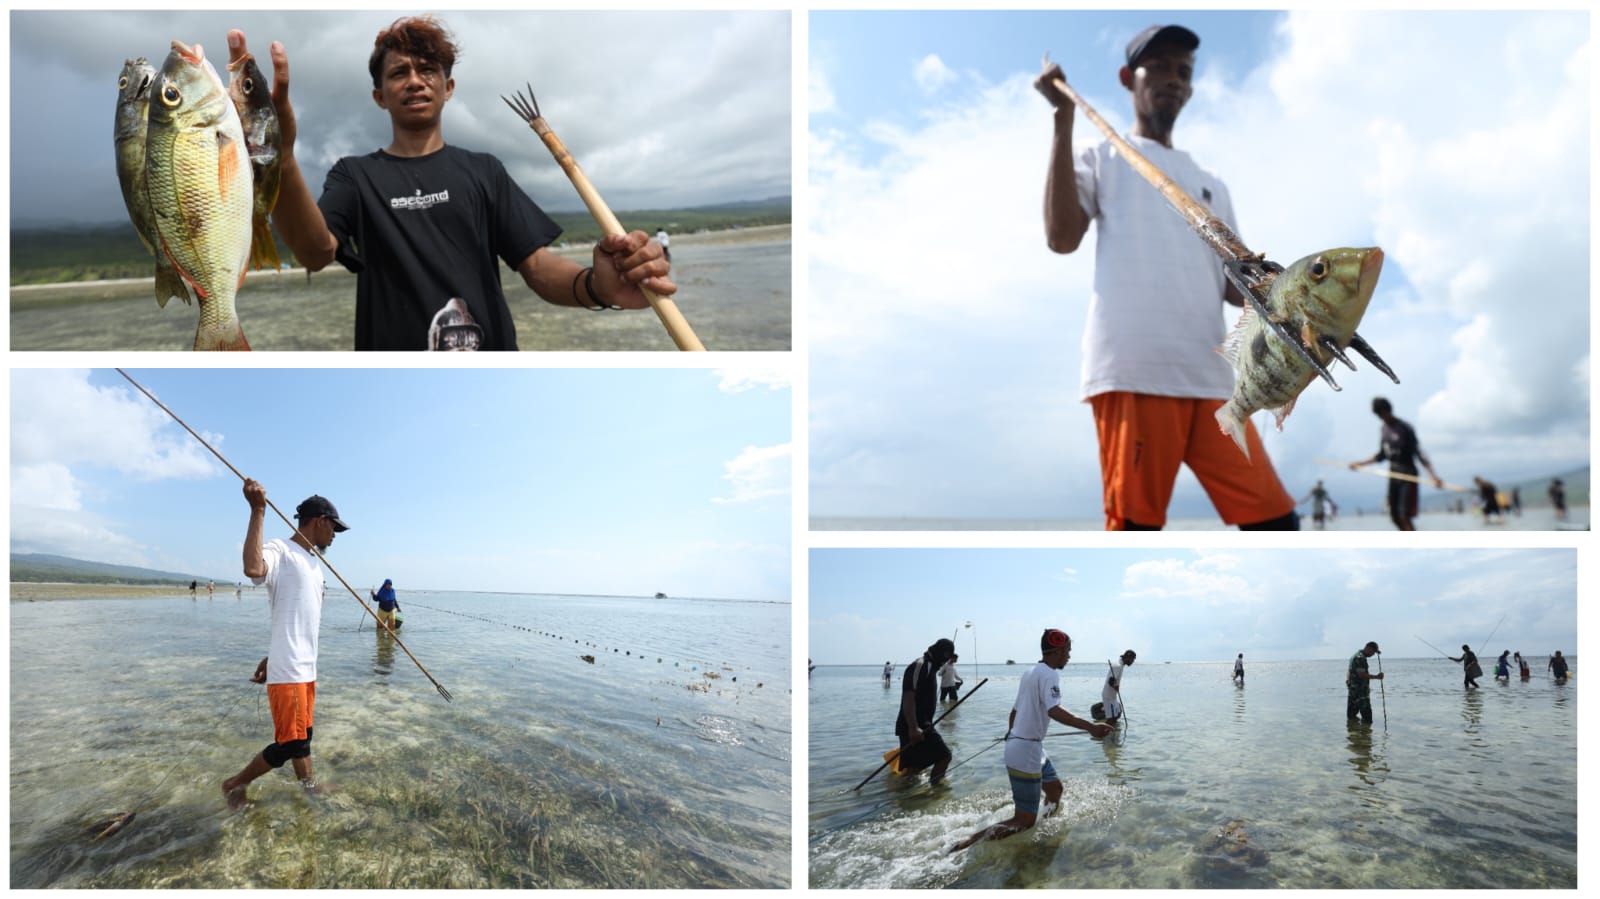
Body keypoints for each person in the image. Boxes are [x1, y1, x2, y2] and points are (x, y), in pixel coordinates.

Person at [225, 17, 675, 350]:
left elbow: (537, 267)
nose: (415, 81)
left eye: (427, 70)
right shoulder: (355, 175)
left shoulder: (484, 170)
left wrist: (597, 286)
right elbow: (314, 251)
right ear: (379, 96)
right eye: (399, 72)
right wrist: (280, 158)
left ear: (449, 87)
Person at [1033, 24, 1299, 532]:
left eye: (1183, 72)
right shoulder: (1104, 156)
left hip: (1215, 381)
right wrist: (1062, 119)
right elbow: (1061, 237)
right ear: (1127, 78)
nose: (1172, 80)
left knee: (1277, 522)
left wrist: (1283, 291)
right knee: (1135, 530)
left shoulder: (1211, 184)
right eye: (1157, 67)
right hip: (1135, 372)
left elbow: (1231, 286)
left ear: (1192, 88)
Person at [221, 484, 348, 809]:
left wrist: (272, 654)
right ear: (320, 521)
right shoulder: (281, 550)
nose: (335, 535)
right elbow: (253, 568)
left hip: (303, 669)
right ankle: (235, 785)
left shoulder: (313, 564)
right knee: (290, 743)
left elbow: (294, 619)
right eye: (334, 527)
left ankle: (309, 786)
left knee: (303, 738)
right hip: (290, 669)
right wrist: (258, 510)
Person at [952, 629, 1110, 851]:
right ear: (1057, 651)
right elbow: (1054, 710)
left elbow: (1014, 711)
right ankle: (967, 844)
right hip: (1025, 750)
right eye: (1068, 651)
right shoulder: (1049, 674)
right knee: (1023, 821)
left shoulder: (1031, 672)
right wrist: (1091, 727)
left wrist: (1011, 733)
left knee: (1055, 790)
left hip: (1030, 747)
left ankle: (1044, 834)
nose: (1069, 656)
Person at [1350, 397, 1445, 531]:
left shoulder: (1405, 428)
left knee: (1404, 515)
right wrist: (1360, 464)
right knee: (1394, 516)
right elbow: (1382, 454)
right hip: (1393, 476)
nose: (1381, 418)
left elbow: (1419, 453)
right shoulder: (1384, 429)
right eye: (1378, 415)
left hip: (1408, 475)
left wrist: (1434, 476)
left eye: (1381, 414)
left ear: (1387, 411)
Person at [893, 638, 957, 784]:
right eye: (945, 658)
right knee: (944, 756)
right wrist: (913, 727)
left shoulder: (931, 668)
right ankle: (935, 793)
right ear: (941, 653)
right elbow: (908, 697)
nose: (944, 662)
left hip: (921, 724)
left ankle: (907, 799)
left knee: (915, 767)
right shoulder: (919, 666)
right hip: (915, 726)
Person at [1346, 641, 1384, 723]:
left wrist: (1348, 680)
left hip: (1353, 691)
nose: (1373, 654)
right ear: (1368, 648)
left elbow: (1349, 670)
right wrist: (1377, 677)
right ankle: (1365, 734)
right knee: (1367, 719)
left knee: (1351, 717)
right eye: (1373, 652)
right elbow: (1361, 675)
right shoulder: (1360, 658)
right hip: (1361, 692)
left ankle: (1353, 733)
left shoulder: (1355, 655)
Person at [1099, 650, 1137, 724]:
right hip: (1108, 697)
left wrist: (1116, 686)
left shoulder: (1121, 665)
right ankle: (1104, 732)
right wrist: (1115, 686)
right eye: (1132, 659)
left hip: (1112, 696)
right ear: (1127, 657)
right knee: (1111, 719)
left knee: (1118, 713)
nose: (1133, 662)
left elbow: (1113, 680)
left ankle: (1114, 730)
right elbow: (1110, 681)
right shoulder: (1118, 666)